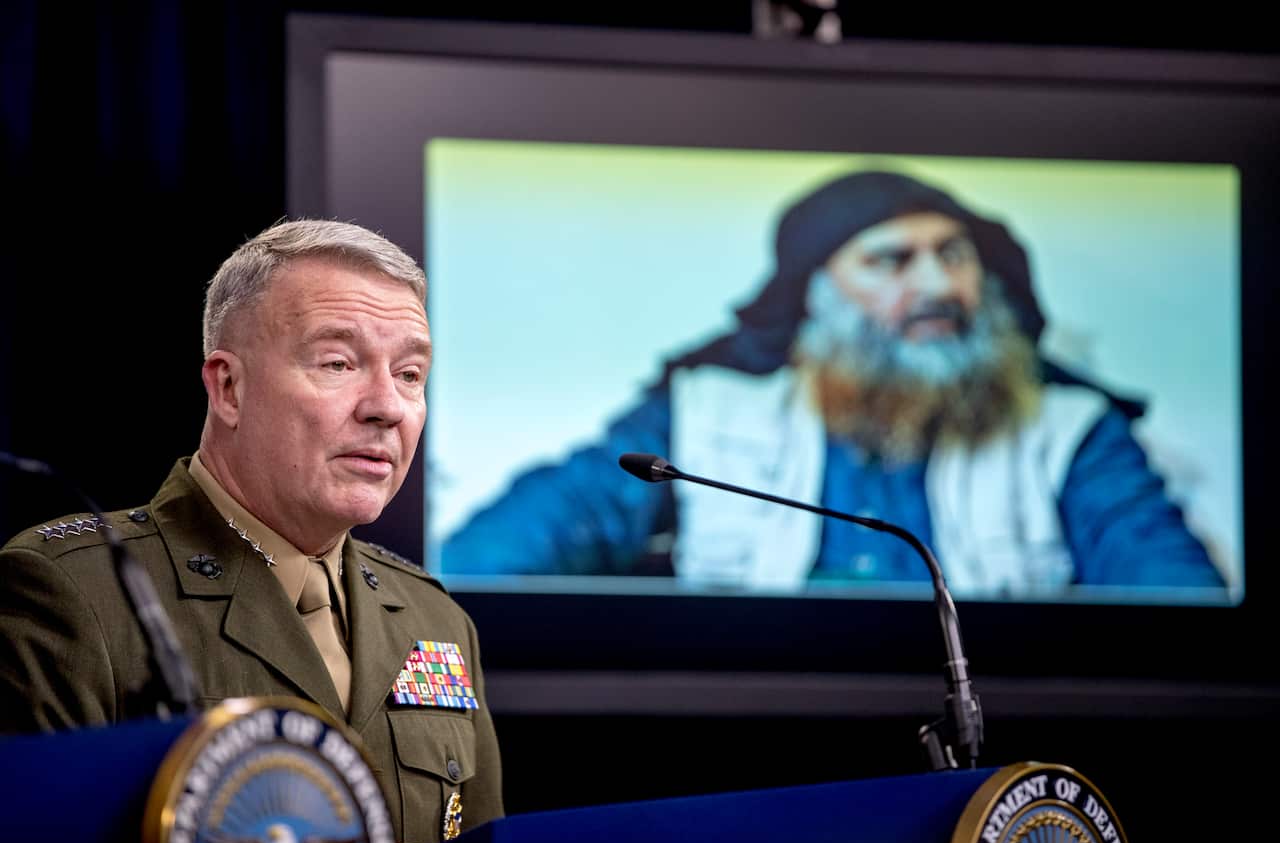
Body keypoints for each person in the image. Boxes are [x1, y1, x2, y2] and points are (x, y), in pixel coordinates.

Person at [443, 170, 1226, 598]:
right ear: (817, 294)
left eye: (955, 255)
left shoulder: (1069, 430)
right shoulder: (704, 410)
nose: (941, 285)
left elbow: (1175, 607)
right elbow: (500, 553)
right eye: (892, 260)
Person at [0, 220, 502, 843]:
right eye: (339, 362)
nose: (387, 406)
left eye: (409, 374)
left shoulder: (435, 618)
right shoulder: (72, 593)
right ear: (228, 388)